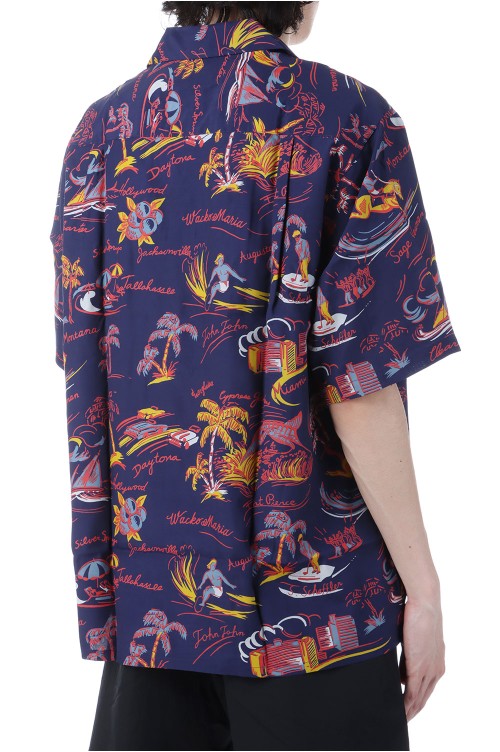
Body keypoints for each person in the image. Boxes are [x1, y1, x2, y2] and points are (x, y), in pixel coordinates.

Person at [49, 1, 462, 749]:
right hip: (312, 622)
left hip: (149, 616)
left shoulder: (98, 133)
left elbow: (85, 359)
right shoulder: (348, 118)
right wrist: (424, 588)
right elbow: (358, 380)